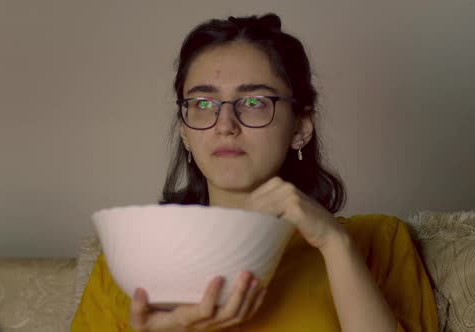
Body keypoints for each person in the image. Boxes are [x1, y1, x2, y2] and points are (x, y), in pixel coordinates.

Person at [71, 13, 438, 331]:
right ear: (185, 131)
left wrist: (335, 245)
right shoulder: (123, 265)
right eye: (202, 103)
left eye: (253, 101)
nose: (225, 124)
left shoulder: (378, 241)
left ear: (300, 128)